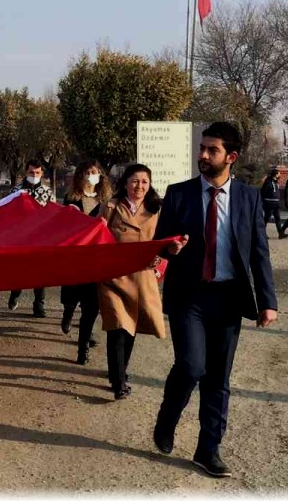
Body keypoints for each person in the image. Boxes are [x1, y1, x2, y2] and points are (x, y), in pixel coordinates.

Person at [152, 122, 278, 478]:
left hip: (228, 298)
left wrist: (268, 301)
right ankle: (168, 416)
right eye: (201, 148)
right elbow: (162, 243)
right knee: (192, 367)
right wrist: (169, 249)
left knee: (218, 379)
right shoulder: (179, 194)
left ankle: (208, 449)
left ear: (231, 157)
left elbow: (258, 252)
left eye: (212, 150)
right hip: (189, 297)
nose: (203, 155)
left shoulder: (249, 198)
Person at [100, 163, 167, 399]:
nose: (139, 186)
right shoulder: (110, 207)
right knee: (117, 327)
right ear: (126, 183)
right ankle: (118, 382)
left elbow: (165, 241)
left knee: (131, 329)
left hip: (142, 277)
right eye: (135, 181)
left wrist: (159, 262)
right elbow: (97, 238)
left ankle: (120, 370)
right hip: (113, 278)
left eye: (144, 182)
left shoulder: (157, 209)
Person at [59, 160, 110, 362]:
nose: (91, 175)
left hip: (96, 258)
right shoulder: (71, 197)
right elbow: (62, 226)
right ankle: (68, 313)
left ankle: (83, 348)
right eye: (88, 171)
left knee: (91, 305)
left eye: (95, 171)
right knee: (71, 295)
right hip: (75, 256)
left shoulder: (106, 200)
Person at [9, 161, 53, 318]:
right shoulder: (17, 191)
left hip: (41, 239)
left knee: (40, 273)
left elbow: (53, 214)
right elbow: (9, 212)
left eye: (37, 173)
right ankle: (15, 292)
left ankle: (39, 304)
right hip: (20, 239)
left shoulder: (48, 192)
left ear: (41, 174)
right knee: (19, 270)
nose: (34, 176)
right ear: (26, 172)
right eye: (31, 172)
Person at [259, 168, 285, 238]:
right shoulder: (268, 182)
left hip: (276, 203)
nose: (280, 175)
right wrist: (263, 201)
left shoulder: (276, 182)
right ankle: (262, 233)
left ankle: (281, 233)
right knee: (266, 219)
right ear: (275, 174)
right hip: (269, 203)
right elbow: (263, 192)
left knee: (278, 218)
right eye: (279, 173)